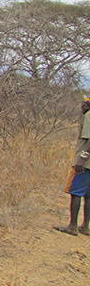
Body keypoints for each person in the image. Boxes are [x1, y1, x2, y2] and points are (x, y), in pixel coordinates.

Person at [55, 96, 90, 236]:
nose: (81, 106)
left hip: (85, 164)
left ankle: (72, 226)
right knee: (88, 196)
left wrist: (82, 159)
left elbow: (89, 141)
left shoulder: (88, 116)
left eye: (84, 103)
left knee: (75, 192)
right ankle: (85, 227)